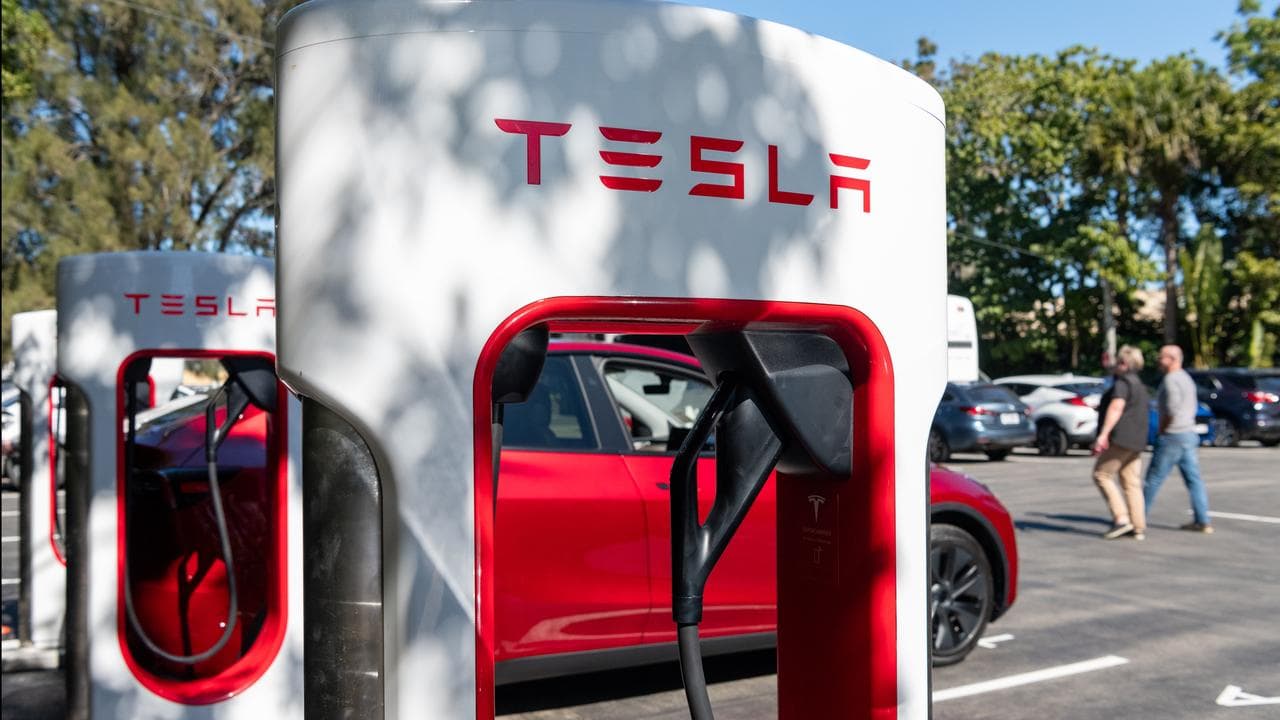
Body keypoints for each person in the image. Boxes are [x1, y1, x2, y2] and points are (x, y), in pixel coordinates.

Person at [1143, 345, 1213, 534]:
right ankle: (1203, 520)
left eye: (1162, 357)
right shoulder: (1186, 378)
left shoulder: (1171, 380)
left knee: (1153, 479)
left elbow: (1172, 410)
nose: (1159, 360)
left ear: (1172, 359)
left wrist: (1162, 430)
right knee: (1194, 480)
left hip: (1173, 435)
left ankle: (1137, 519)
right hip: (1188, 434)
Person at [1092, 345, 1150, 540]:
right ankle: (1138, 525)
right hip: (1137, 440)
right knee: (1130, 481)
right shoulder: (1140, 385)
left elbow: (1117, 407)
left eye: (1118, 362)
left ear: (1124, 363)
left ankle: (1121, 519)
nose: (1115, 365)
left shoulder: (1123, 384)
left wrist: (1103, 434)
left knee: (1101, 474)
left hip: (1122, 438)